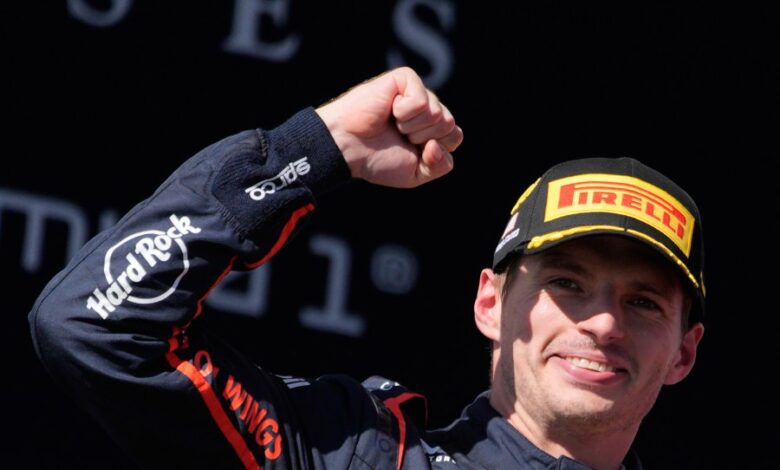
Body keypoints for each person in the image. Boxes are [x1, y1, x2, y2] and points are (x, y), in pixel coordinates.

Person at [29, 67, 705, 470]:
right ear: (490, 303)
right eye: (567, 283)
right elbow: (94, 326)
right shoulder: (352, 454)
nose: (604, 323)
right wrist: (313, 151)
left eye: (644, 302)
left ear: (684, 351)